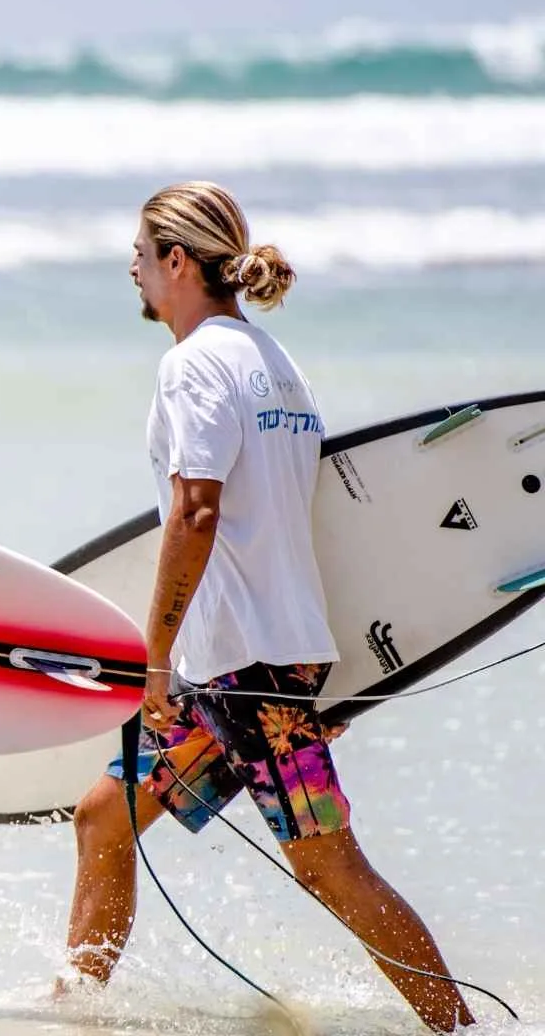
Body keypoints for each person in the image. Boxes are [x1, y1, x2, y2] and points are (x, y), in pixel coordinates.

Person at [57, 181, 473, 1031]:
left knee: (326, 862)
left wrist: (155, 654)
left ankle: (460, 1027)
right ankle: (76, 1008)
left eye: (141, 252)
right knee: (105, 815)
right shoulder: (274, 362)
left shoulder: (193, 364)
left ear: (177, 260)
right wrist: (325, 667)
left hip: (241, 667)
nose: (131, 268)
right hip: (256, 662)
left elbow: (197, 511)